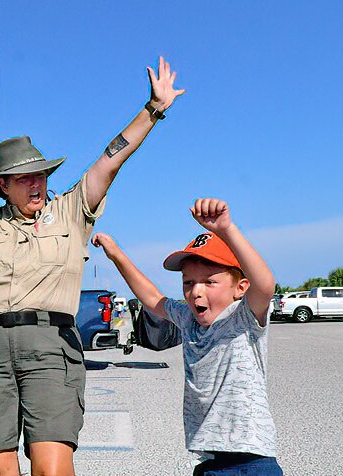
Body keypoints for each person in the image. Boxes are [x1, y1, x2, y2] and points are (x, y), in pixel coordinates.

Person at [0, 57, 184, 476]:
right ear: (3, 186)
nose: (36, 184)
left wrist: (153, 110)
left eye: (41, 175)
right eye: (24, 178)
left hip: (51, 348)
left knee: (51, 468)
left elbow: (110, 160)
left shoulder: (71, 211)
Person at [91, 199, 280, 476]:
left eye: (209, 281)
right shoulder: (188, 319)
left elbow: (264, 285)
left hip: (250, 461)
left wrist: (226, 229)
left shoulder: (244, 318)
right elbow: (153, 298)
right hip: (209, 459)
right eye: (188, 282)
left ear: (240, 288)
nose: (196, 291)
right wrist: (116, 254)